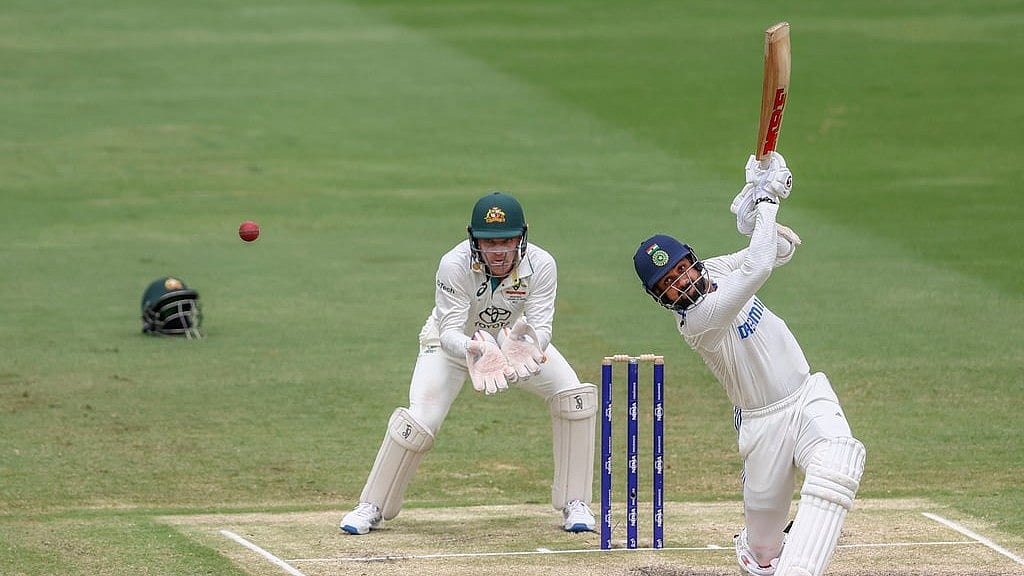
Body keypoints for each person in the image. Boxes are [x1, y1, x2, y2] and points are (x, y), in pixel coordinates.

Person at [631, 153, 865, 576]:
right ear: (661, 297)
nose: (681, 282)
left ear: (691, 260)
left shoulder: (716, 269)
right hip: (762, 424)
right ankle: (758, 551)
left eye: (681, 270)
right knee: (763, 554)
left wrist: (753, 213)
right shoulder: (697, 322)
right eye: (669, 284)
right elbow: (757, 268)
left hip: (806, 394)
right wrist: (769, 200)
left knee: (839, 461)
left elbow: (779, 249)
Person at [340, 191, 598, 535]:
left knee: (573, 397)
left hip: (512, 340)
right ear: (473, 239)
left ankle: (575, 502)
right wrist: (475, 350)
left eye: (507, 241)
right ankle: (370, 506)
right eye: (489, 243)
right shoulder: (454, 264)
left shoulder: (542, 264)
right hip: (453, 345)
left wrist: (526, 345)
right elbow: (448, 330)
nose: (499, 252)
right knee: (421, 418)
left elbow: (542, 325)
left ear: (523, 237)